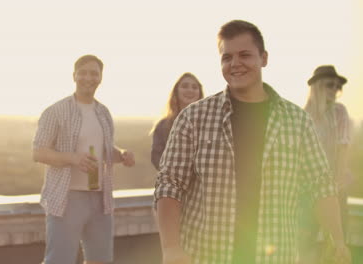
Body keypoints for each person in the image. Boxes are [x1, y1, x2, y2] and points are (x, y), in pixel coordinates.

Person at [154, 20, 351, 264]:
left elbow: (321, 183)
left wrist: (338, 240)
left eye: (245, 55)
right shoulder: (194, 118)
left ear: (264, 58)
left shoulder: (297, 121)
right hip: (204, 255)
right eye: (227, 57)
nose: (235, 64)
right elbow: (170, 183)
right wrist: (171, 248)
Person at [33, 54, 135, 264]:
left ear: (100, 78)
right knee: (59, 260)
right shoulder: (56, 111)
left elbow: (106, 151)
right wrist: (73, 158)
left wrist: (122, 155)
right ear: (74, 76)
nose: (88, 77)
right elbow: (39, 152)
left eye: (94, 73)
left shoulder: (103, 112)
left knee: (101, 260)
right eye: (84, 72)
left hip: (100, 199)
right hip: (66, 198)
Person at [298, 65, 353, 263]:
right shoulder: (302, 115)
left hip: (334, 187)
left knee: (336, 245)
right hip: (305, 189)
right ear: (317, 86)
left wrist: (335, 188)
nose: (334, 90)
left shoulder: (339, 112)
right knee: (303, 243)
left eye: (338, 87)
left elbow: (343, 148)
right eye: (330, 85)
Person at [151, 73, 204, 170]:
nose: (190, 90)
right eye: (184, 86)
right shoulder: (162, 126)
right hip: (173, 182)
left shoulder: (210, 124)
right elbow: (156, 157)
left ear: (200, 93)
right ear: (176, 92)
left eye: (194, 87)